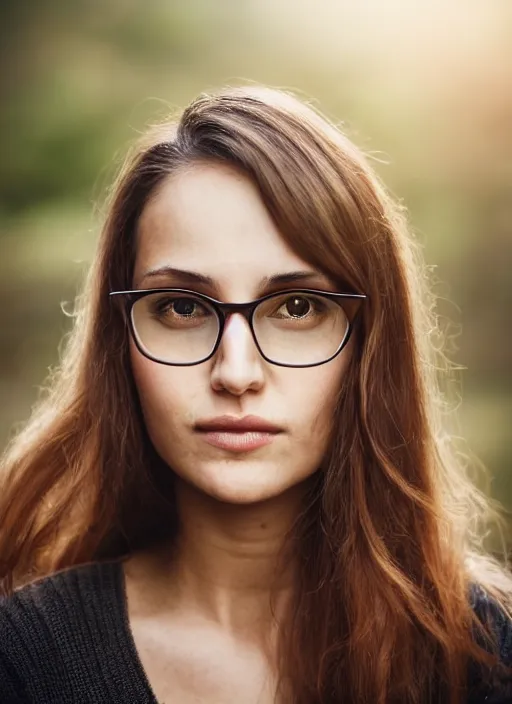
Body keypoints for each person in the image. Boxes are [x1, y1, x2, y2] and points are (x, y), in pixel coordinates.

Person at [0, 86, 510, 704]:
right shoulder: (26, 658)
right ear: (120, 344)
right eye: (183, 306)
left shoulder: (480, 655)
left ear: (370, 347)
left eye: (298, 306)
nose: (236, 373)